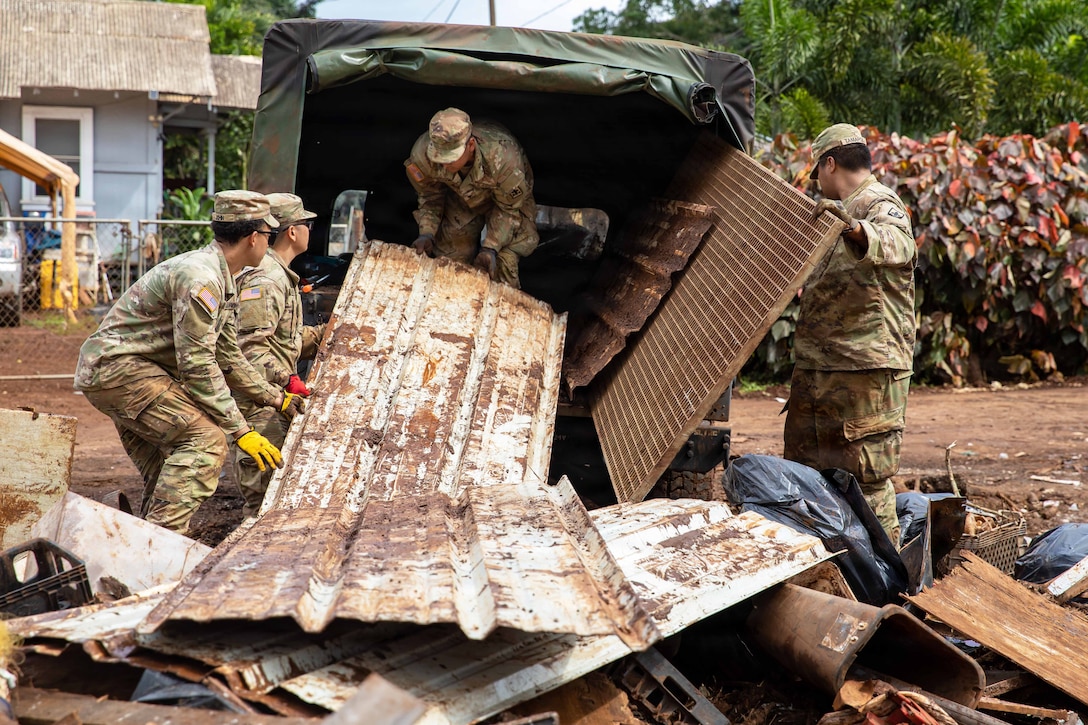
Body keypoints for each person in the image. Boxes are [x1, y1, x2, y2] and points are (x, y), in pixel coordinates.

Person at [74, 190, 305, 535]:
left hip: (127, 371)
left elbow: (228, 356)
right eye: (269, 235)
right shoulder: (202, 279)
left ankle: (141, 545)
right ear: (254, 237)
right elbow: (197, 365)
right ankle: (157, 553)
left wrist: (274, 398)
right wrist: (241, 431)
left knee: (171, 468)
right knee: (205, 444)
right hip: (120, 370)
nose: (270, 244)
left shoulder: (220, 275)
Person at [784, 123, 917, 545]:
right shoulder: (832, 214)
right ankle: (826, 572)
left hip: (866, 371)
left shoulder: (878, 203)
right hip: (821, 367)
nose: (817, 184)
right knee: (805, 476)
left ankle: (886, 586)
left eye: (817, 173)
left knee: (867, 480)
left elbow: (898, 244)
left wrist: (855, 229)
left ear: (830, 163)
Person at [230, 192, 326, 518]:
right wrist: (289, 378)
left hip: (269, 400)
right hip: (259, 407)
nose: (310, 230)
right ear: (293, 232)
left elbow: (281, 341)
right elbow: (251, 349)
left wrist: (322, 335)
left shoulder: (277, 274)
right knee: (262, 502)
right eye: (307, 224)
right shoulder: (268, 280)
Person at [405, 107, 538, 288]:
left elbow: (508, 209)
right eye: (439, 157)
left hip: (509, 204)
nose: (444, 164)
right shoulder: (421, 155)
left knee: (501, 263)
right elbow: (430, 197)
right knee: (450, 266)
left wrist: (490, 247)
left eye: (451, 158)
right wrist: (427, 233)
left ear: (471, 146)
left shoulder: (503, 156)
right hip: (461, 197)